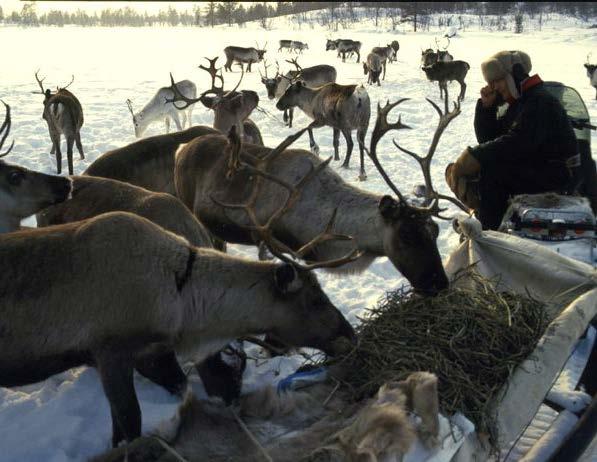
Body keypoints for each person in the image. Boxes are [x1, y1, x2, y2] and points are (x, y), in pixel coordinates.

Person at [445, 50, 578, 230]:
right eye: (490, 83)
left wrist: (474, 155)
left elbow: (518, 142)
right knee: (486, 166)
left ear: (513, 75)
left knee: (492, 173)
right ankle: (490, 219)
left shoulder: (540, 101)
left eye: (497, 81)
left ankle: (488, 232)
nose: (493, 87)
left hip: (559, 174)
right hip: (542, 167)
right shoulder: (521, 102)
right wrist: (487, 108)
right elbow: (492, 140)